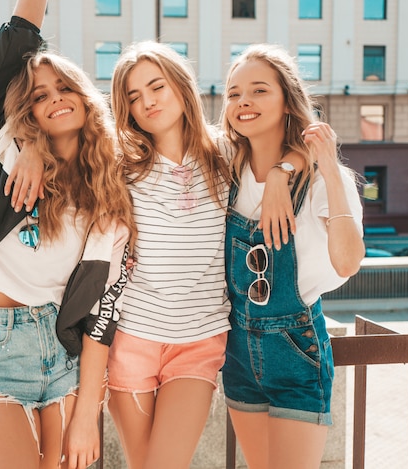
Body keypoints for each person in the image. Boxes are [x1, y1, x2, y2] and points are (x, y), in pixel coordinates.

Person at [0, 1, 134, 468]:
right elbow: (15, 41)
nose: (55, 98)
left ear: (85, 97)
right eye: (40, 96)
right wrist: (25, 147)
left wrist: (87, 413)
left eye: (64, 87)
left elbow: (104, 309)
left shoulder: (108, 195)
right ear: (28, 111)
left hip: (63, 354)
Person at [105, 41, 303, 469]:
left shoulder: (225, 154)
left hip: (199, 339)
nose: (147, 101)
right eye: (134, 97)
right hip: (131, 338)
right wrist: (28, 154)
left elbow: (299, 143)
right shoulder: (119, 163)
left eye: (156, 86)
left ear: (181, 86)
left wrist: (280, 175)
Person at [219, 43, 365, 468]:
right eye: (233, 93)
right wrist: (282, 172)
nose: (243, 101)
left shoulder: (322, 177)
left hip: (296, 350)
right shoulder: (225, 165)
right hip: (237, 352)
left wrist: (325, 169)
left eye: (259, 90)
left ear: (287, 100)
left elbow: (348, 262)